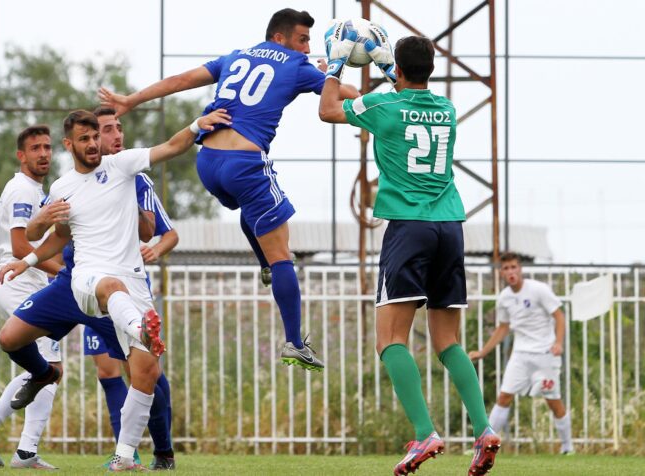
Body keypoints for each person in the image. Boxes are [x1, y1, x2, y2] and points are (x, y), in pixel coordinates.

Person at [98, 8, 361, 371]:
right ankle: (295, 343)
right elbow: (350, 95)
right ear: (280, 37)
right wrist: (332, 70)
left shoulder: (235, 57)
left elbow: (181, 80)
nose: (306, 47)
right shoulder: (298, 65)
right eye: (302, 39)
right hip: (245, 164)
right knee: (283, 255)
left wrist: (131, 100)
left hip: (207, 163)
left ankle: (264, 265)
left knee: (251, 210)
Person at [0, 108, 230, 471]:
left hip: (133, 285)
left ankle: (125, 456)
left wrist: (196, 125)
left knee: (147, 373)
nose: (93, 144)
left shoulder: (122, 166)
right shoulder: (62, 188)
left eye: (96, 137)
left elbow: (172, 146)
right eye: (85, 139)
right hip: (87, 279)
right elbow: (55, 237)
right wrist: (26, 259)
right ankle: (135, 331)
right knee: (12, 338)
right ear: (69, 144)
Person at [318, 30, 500, 475]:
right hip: (450, 227)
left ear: (398, 69)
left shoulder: (383, 108)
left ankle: (424, 432)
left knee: (390, 340)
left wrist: (335, 67)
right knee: (448, 342)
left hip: (408, 228)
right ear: (430, 69)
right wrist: (388, 72)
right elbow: (397, 99)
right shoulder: (447, 109)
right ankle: (483, 429)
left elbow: (328, 110)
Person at [81, 107, 179, 469]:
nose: (117, 135)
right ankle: (126, 452)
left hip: (129, 291)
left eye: (118, 128)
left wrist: (153, 245)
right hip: (90, 290)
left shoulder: (135, 176)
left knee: (145, 372)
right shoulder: (73, 181)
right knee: (107, 372)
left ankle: (163, 451)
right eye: (107, 129)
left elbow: (161, 233)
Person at [0, 125, 63, 470]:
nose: (43, 153)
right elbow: (20, 247)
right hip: (20, 281)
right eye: (35, 148)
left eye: (47, 147)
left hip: (28, 281)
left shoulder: (35, 189)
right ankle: (18, 448)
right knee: (50, 370)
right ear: (21, 155)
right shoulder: (22, 189)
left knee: (49, 370)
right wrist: (63, 272)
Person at [469, 252, 574, 454]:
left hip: (545, 354)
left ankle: (568, 448)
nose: (511, 272)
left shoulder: (538, 289)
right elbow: (503, 328)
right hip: (520, 355)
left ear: (520, 269)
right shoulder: (504, 298)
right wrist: (483, 352)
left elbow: (559, 316)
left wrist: (558, 343)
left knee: (553, 401)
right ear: (501, 273)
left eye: (513, 267)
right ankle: (484, 445)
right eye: (506, 268)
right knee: (504, 397)